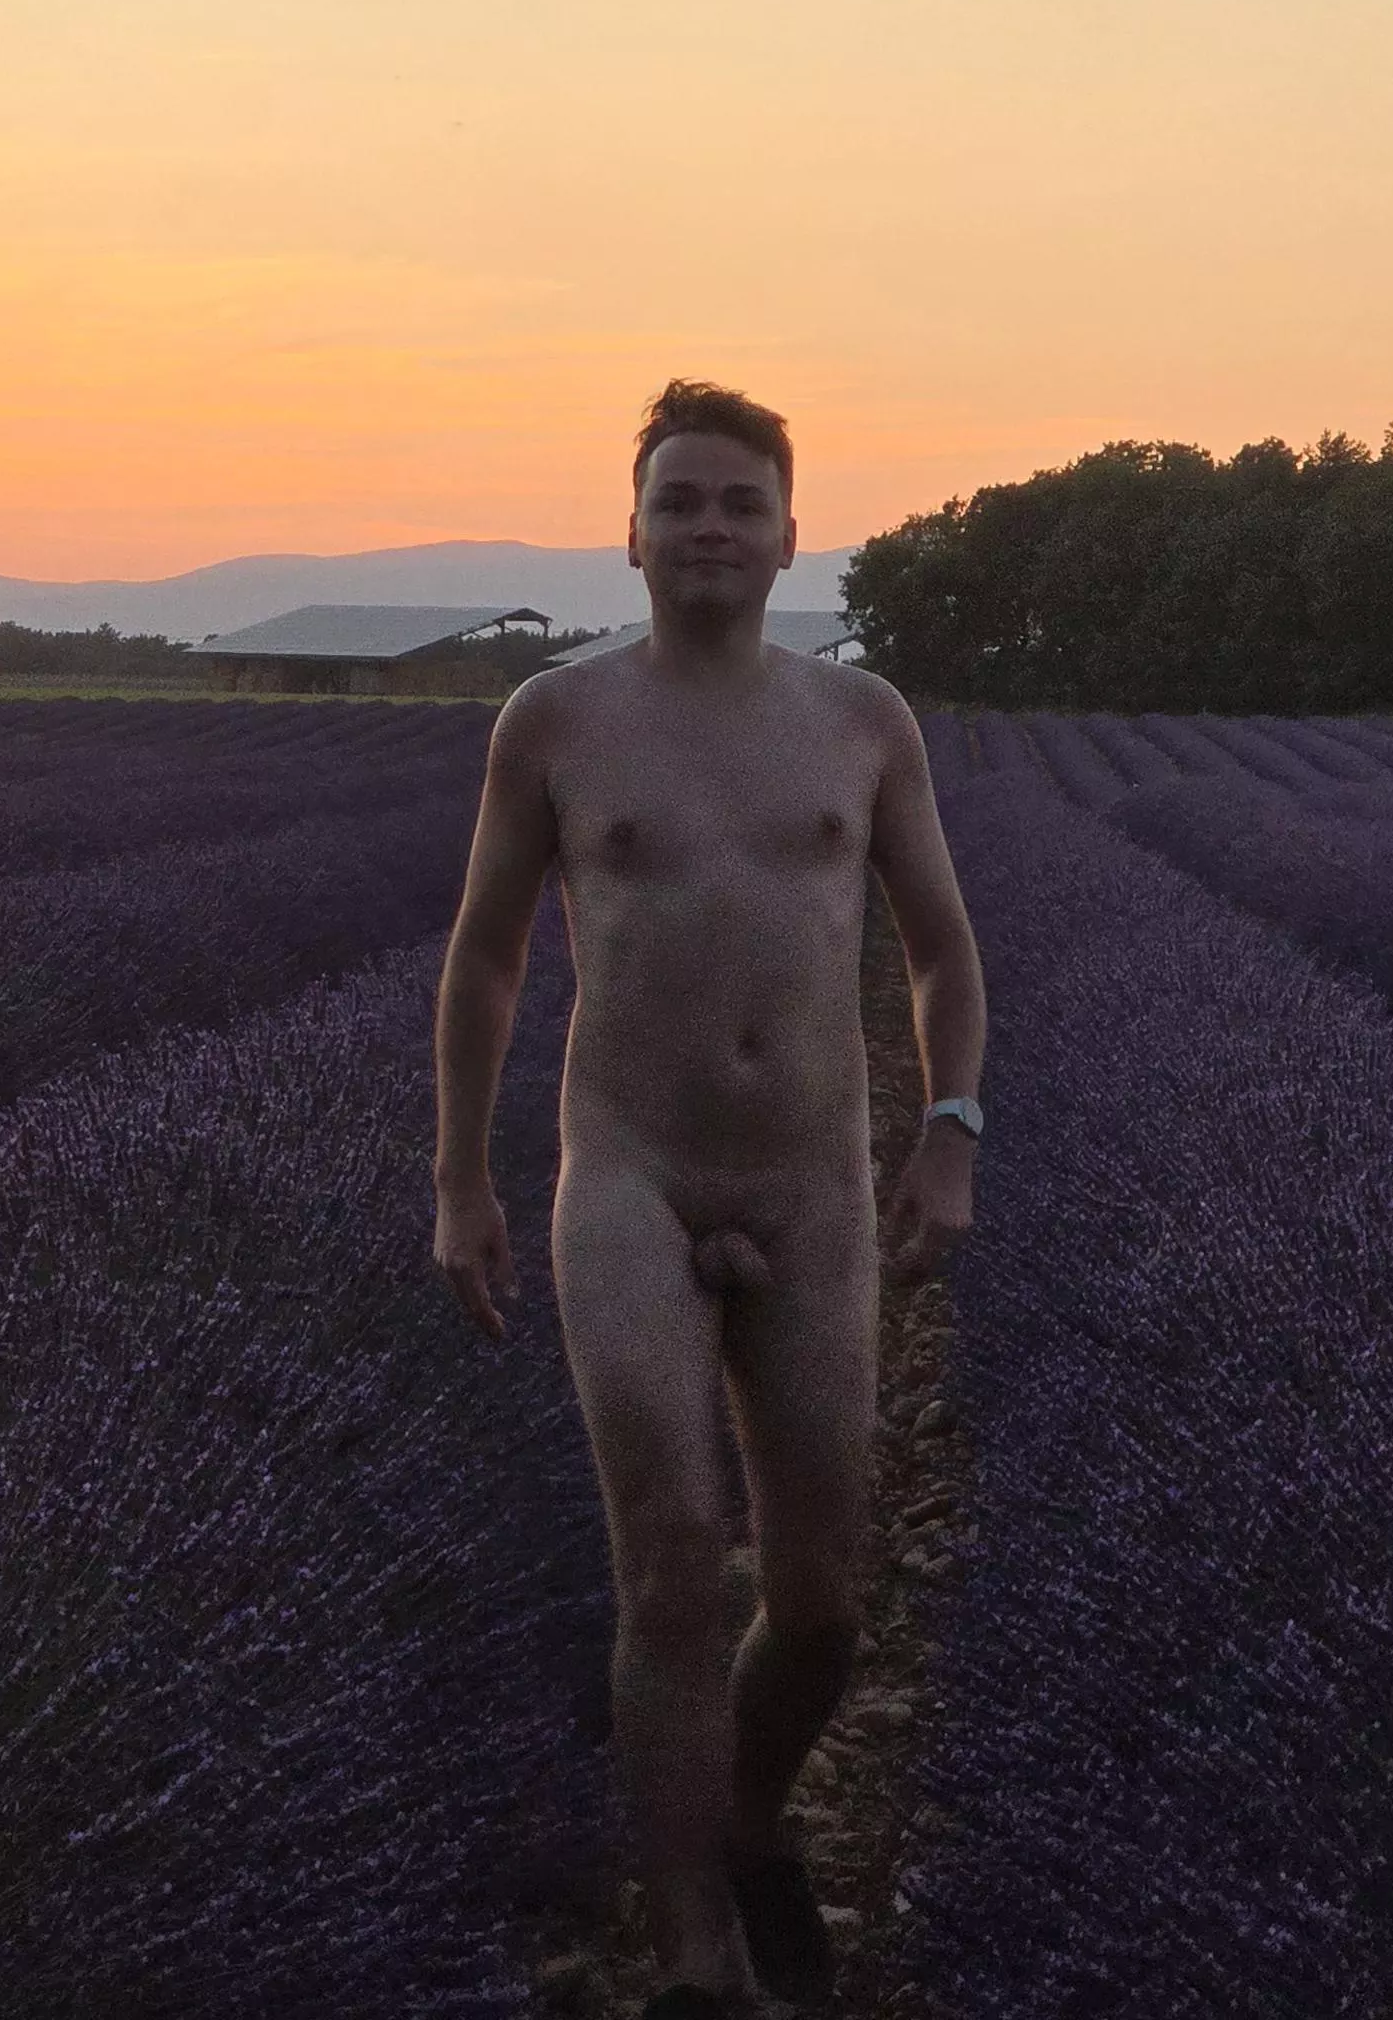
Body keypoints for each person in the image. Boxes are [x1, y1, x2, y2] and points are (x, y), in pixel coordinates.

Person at [433, 379, 987, 2016]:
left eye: (742, 503)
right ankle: (693, 1955)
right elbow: (483, 958)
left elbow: (944, 950)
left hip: (814, 1189)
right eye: (679, 503)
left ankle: (745, 1817)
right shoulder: (555, 720)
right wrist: (461, 1177)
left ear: (792, 532)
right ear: (631, 534)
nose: (711, 530)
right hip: (631, 1181)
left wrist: (950, 1129)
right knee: (672, 1562)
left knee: (823, 1602)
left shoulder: (862, 722)